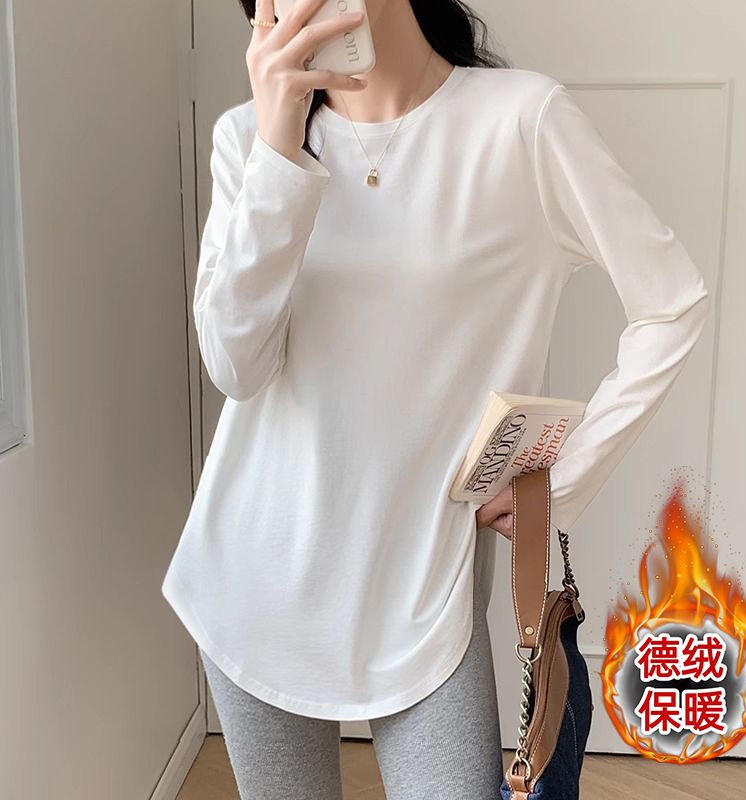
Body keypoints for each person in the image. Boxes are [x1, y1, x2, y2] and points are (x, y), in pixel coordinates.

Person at [161, 0, 710, 797]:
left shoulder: (522, 123)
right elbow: (235, 366)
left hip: (424, 600)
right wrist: (278, 150)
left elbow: (672, 304)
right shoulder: (247, 137)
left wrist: (566, 479)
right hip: (251, 586)